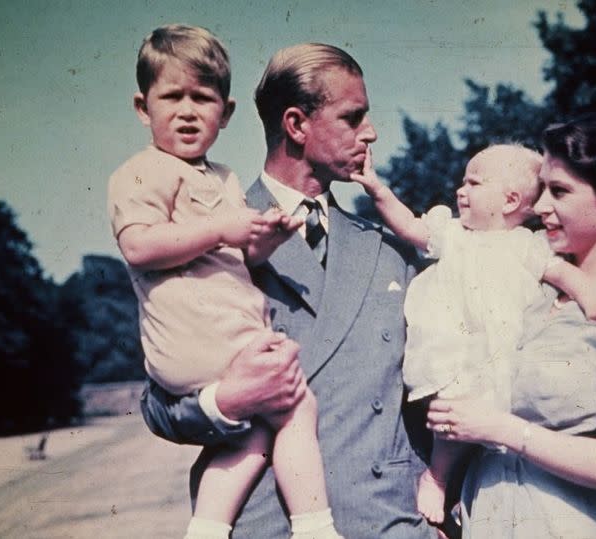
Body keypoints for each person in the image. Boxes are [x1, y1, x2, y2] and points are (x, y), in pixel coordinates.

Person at [138, 42, 440, 538]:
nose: (371, 133)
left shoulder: (390, 251)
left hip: (388, 523)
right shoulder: (204, 236)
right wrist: (228, 401)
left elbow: (444, 383)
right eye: (353, 117)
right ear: (296, 125)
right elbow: (158, 404)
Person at [107, 25, 343, 539]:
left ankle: (208, 529)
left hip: (219, 338)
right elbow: (138, 247)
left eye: (203, 98)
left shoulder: (223, 178)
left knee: (253, 432)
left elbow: (243, 251)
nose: (187, 111)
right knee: (298, 404)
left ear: (226, 113)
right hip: (198, 337)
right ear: (143, 108)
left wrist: (268, 237)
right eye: (171, 97)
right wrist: (220, 226)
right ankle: (316, 526)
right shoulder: (143, 172)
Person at [424, 115, 596, 538]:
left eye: (560, 191)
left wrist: (501, 429)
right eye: (542, 188)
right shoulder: (529, 294)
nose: (540, 205)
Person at [350, 144, 596, 525]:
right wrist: (378, 190)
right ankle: (437, 477)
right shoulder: (454, 235)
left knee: (491, 415)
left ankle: (465, 490)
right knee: (454, 410)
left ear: (511, 200)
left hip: (502, 351)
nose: (460, 191)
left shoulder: (526, 247)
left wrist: (592, 299)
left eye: (473, 183)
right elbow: (410, 226)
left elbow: (567, 275)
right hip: (455, 345)